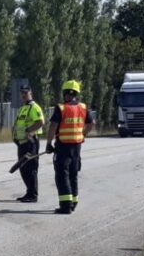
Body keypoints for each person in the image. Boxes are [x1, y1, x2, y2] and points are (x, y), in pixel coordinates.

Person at [45, 79, 94, 214]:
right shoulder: (83, 107)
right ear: (76, 94)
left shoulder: (61, 108)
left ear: (64, 93)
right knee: (73, 174)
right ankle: (73, 202)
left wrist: (48, 144)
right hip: (77, 147)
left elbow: (53, 126)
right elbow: (91, 124)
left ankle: (65, 205)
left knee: (62, 175)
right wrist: (82, 134)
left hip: (63, 147)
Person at [12, 85, 45, 202]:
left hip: (31, 142)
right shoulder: (23, 108)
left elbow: (41, 122)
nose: (23, 95)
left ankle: (33, 195)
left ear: (30, 92)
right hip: (22, 142)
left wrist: (28, 131)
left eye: (26, 92)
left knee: (31, 168)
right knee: (23, 168)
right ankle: (29, 192)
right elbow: (19, 124)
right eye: (22, 93)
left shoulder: (34, 107)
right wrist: (15, 134)